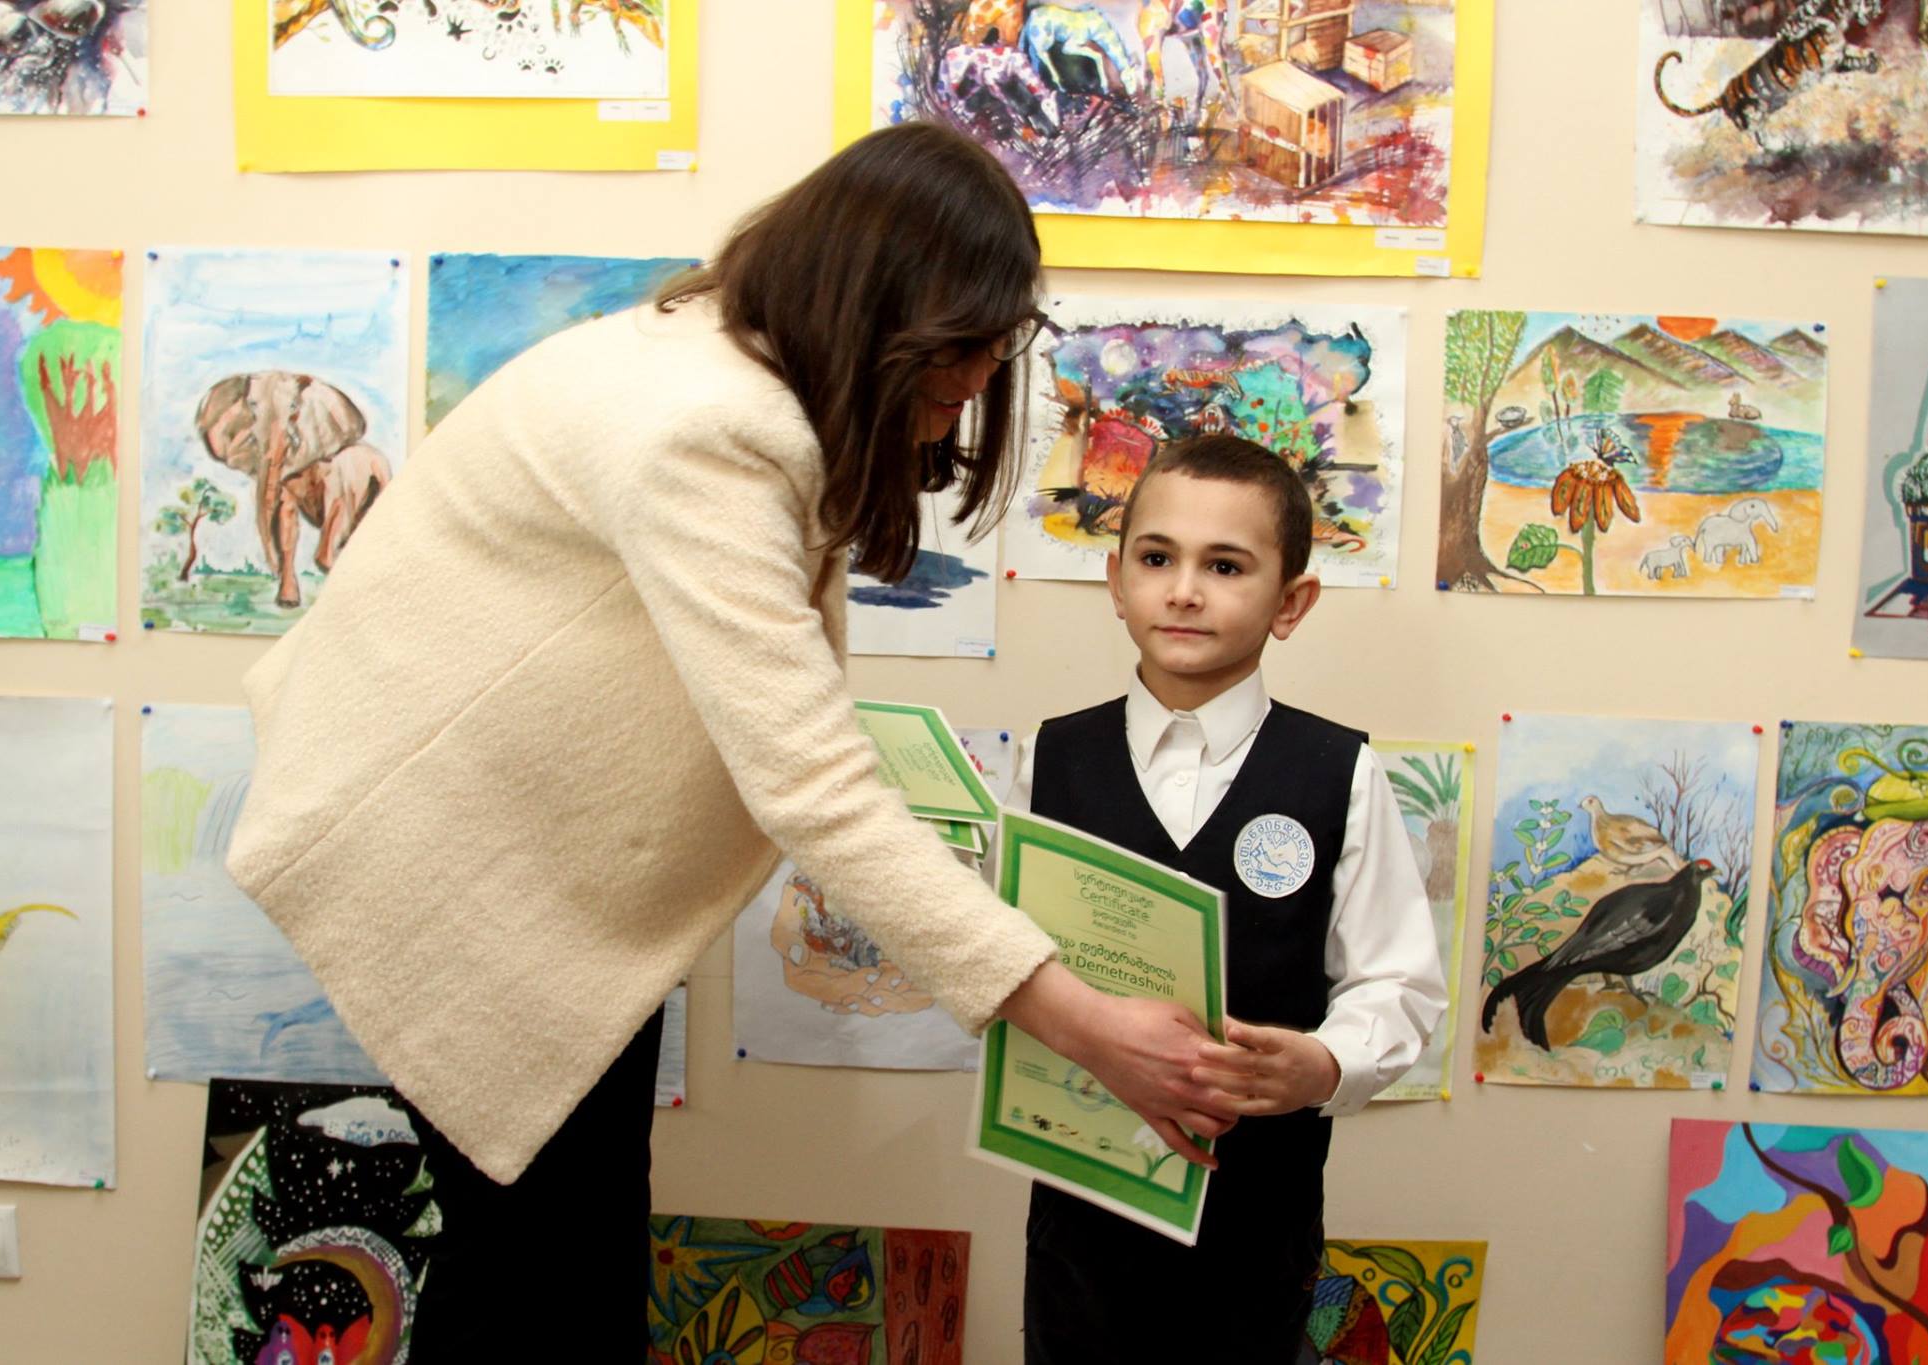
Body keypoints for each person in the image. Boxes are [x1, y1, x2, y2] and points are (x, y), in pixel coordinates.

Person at [222, 123, 1241, 1354]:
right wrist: (1077, 1021)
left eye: (997, 342)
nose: (978, 377)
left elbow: (767, 711)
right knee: (547, 1283)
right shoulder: (704, 427)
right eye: (961, 343)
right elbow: (811, 787)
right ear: (877, 312)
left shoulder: (702, 359)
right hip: (446, 862)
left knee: (544, 1270)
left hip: (506, 861)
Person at [1011, 434, 1448, 1363]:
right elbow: (1002, 956)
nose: (1183, 590)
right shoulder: (1049, 759)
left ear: (1291, 602)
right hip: (1080, 1226)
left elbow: (1399, 984)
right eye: (1156, 558)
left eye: (1225, 565)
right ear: (1115, 580)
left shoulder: (1340, 771)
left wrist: (1323, 1063)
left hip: (1259, 1229)